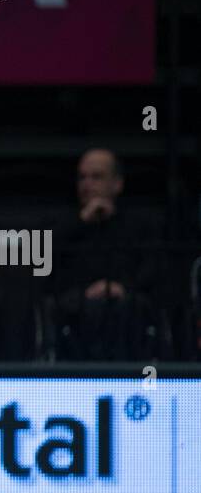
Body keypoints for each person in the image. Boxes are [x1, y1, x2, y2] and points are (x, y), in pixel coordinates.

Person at [51, 148, 160, 360]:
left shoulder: (139, 227)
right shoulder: (63, 225)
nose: (87, 184)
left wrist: (122, 288)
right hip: (77, 308)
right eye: (82, 177)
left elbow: (153, 269)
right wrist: (81, 223)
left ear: (117, 184)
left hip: (126, 308)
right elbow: (42, 263)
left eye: (96, 177)